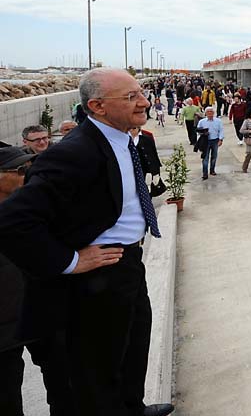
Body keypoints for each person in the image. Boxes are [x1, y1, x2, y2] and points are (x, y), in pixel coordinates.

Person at [0, 68, 175, 416]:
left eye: (141, 92)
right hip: (98, 278)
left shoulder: (122, 140)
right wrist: (69, 261)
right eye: (131, 97)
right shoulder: (74, 152)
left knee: (134, 349)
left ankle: (132, 407)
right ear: (97, 106)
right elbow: (13, 220)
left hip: (128, 264)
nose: (144, 101)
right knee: (99, 371)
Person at [0, 146, 76, 416]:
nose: (27, 175)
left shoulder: (33, 209)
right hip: (5, 334)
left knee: (65, 384)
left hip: (41, 312)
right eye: (20, 170)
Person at [197, 107, 224, 180]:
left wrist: (220, 139)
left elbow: (221, 130)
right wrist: (203, 134)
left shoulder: (218, 121)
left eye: (211, 111)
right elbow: (198, 131)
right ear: (205, 113)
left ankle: (212, 170)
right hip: (205, 141)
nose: (210, 113)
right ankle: (205, 173)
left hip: (215, 140)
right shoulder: (202, 121)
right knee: (205, 157)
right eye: (208, 111)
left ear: (213, 113)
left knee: (214, 156)